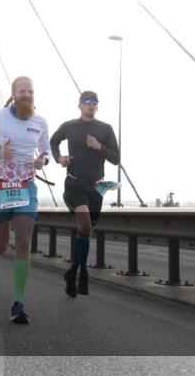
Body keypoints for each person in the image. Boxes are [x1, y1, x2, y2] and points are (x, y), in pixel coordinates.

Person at [0, 77, 51, 324]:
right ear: (14, 94)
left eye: (30, 91)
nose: (27, 95)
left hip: (26, 186)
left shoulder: (40, 121)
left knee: (24, 240)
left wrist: (42, 160)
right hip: (0, 186)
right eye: (22, 91)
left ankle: (18, 303)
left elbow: (46, 150)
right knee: (2, 243)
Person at [50, 90, 120, 297]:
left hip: (95, 188)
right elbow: (53, 142)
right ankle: (82, 271)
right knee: (86, 225)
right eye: (87, 102)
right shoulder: (70, 126)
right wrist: (59, 158)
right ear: (79, 105)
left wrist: (99, 147)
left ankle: (72, 271)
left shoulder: (105, 129)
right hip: (74, 185)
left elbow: (116, 158)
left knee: (85, 232)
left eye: (95, 102)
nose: (91, 105)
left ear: (97, 107)